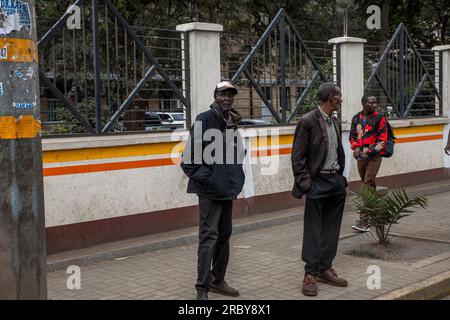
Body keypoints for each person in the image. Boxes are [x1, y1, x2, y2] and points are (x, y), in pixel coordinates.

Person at [180, 81, 245, 300]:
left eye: (230, 95)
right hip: (210, 191)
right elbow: (189, 160)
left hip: (226, 189)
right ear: (215, 96)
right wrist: (208, 179)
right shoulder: (204, 119)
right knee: (209, 236)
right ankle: (201, 288)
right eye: (222, 94)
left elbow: (236, 151)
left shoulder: (230, 121)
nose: (227, 98)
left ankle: (218, 279)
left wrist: (234, 175)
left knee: (224, 235)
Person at [291, 82, 348, 297]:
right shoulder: (307, 121)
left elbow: (336, 151)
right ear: (330, 97)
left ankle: (325, 267)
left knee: (332, 228)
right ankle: (310, 274)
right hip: (317, 183)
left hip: (335, 182)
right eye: (338, 96)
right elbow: (298, 158)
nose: (341, 100)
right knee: (314, 230)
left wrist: (341, 179)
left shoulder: (334, 122)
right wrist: (307, 185)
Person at [349, 95, 388, 232]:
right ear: (364, 104)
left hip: (374, 157)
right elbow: (352, 136)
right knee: (370, 186)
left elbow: (382, 139)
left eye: (375, 102)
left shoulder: (380, 118)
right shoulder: (356, 118)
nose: (375, 104)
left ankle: (364, 220)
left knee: (366, 186)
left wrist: (369, 151)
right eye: (371, 102)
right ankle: (377, 216)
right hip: (361, 158)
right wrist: (356, 148)